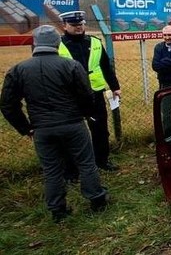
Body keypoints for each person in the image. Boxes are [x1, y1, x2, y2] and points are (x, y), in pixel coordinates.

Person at [0, 25, 109, 223]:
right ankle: (97, 200)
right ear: (57, 44)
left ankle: (58, 210)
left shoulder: (18, 70)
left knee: (51, 169)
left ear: (35, 44)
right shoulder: (71, 66)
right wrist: (84, 114)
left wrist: (26, 128)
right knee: (86, 162)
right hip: (72, 124)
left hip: (42, 128)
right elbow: (86, 95)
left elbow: (7, 105)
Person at [58, 10, 121, 172]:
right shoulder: (58, 45)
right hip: (71, 96)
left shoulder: (94, 42)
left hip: (95, 93)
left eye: (81, 24)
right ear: (64, 26)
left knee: (100, 129)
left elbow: (106, 67)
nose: (78, 28)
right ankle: (72, 169)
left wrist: (115, 87)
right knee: (71, 133)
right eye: (74, 25)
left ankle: (102, 160)